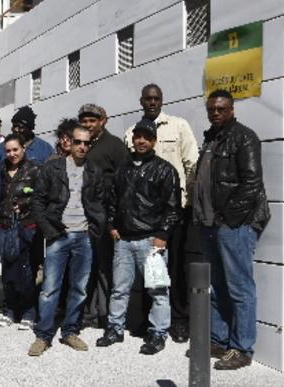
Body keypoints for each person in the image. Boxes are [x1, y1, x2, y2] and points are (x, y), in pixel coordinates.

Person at [193, 89, 270, 370]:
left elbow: (251, 183)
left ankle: (241, 348)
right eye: (212, 109)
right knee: (219, 286)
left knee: (239, 287)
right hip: (211, 224)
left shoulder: (244, 137)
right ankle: (219, 340)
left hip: (234, 224)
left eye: (221, 109)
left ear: (231, 109)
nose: (216, 113)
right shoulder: (211, 138)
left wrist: (228, 218)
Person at [96, 119, 181, 355]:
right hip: (123, 240)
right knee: (119, 289)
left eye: (147, 137)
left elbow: (173, 208)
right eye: (138, 136)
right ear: (133, 139)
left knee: (157, 290)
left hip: (151, 242)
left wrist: (163, 234)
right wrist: (112, 225)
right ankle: (115, 328)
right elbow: (112, 200)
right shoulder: (122, 169)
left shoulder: (165, 170)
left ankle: (158, 333)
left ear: (154, 140)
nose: (141, 140)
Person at [123, 84, 199, 343]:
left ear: (161, 100)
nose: (152, 102)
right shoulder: (131, 132)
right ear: (141, 101)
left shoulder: (179, 126)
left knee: (175, 268)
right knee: (148, 270)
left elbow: (192, 165)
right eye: (148, 99)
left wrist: (186, 202)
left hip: (173, 213)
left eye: (156, 98)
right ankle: (149, 320)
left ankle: (179, 321)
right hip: (143, 218)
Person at [28, 124, 105, 356]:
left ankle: (70, 331)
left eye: (86, 143)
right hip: (58, 235)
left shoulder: (95, 170)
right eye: (78, 142)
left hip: (84, 236)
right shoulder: (53, 168)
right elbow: (38, 202)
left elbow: (100, 203)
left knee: (79, 288)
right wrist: (49, 231)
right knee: (50, 288)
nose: (82, 146)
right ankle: (43, 335)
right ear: (69, 143)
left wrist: (95, 230)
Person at [78, 103, 128, 329]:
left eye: (92, 120)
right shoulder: (82, 145)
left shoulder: (115, 146)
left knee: (105, 268)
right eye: (85, 120)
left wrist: (114, 218)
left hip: (105, 216)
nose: (88, 124)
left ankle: (105, 315)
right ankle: (86, 313)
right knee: (85, 266)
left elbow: (123, 184)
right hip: (82, 216)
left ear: (103, 121)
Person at [0, 133, 40, 330]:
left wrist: (25, 203)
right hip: (4, 226)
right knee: (8, 269)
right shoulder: (0, 170)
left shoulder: (35, 169)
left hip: (26, 226)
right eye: (8, 150)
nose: (12, 154)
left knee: (27, 270)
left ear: (23, 149)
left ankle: (29, 310)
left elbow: (42, 196)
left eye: (15, 149)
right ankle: (10, 308)